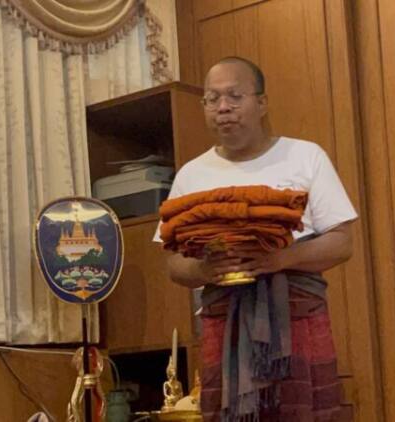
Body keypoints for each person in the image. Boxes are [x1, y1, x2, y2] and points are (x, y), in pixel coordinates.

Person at [154, 56, 356, 421]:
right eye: (212, 98)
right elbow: (173, 263)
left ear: (261, 103)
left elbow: (342, 242)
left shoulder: (305, 156)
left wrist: (280, 259)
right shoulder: (191, 175)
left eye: (234, 96)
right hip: (224, 318)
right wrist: (205, 269)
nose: (223, 107)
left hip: (296, 314)